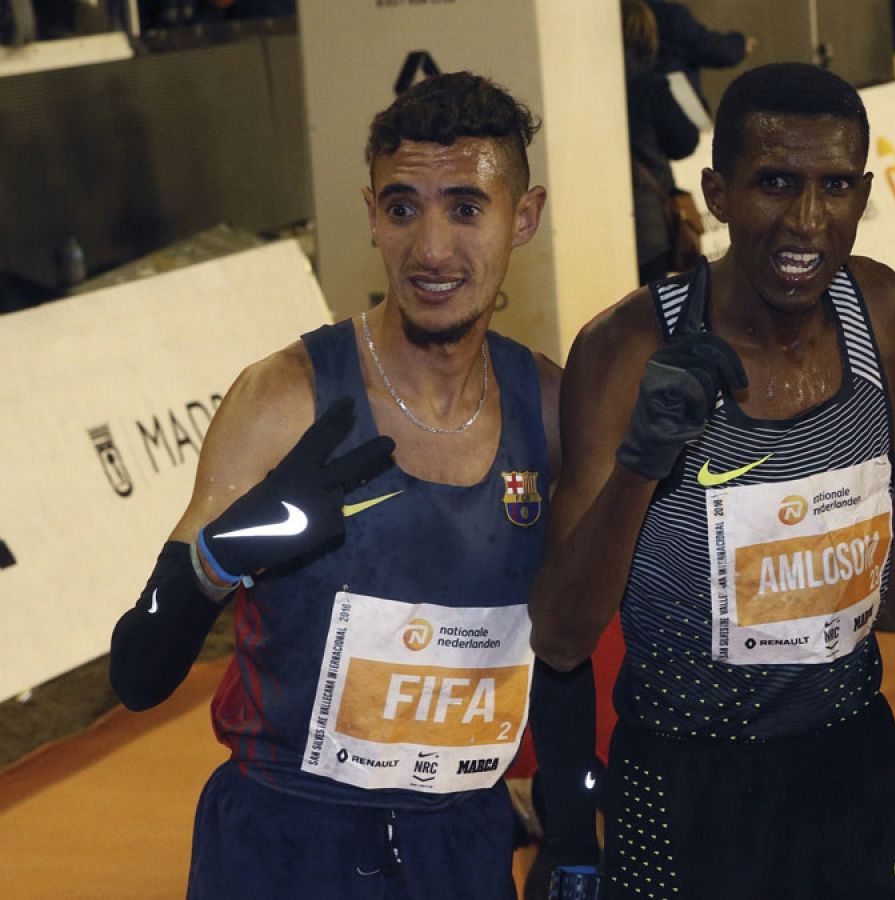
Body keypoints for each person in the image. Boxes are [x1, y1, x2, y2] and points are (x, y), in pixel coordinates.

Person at [530, 62, 895, 898]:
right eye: (775, 184)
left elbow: (893, 504)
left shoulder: (878, 312)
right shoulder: (627, 352)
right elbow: (562, 635)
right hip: (683, 789)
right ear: (716, 192)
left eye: (836, 187)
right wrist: (643, 461)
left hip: (853, 763)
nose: (808, 222)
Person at [109, 72, 564, 898]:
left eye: (466, 207)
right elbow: (138, 674)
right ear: (370, 214)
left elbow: (583, 646)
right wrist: (227, 552)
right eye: (402, 209)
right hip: (283, 844)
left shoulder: (551, 406)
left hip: (459, 844)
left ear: (522, 217)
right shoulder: (284, 398)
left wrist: (574, 831)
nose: (430, 249)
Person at [623, 0, 703, 285]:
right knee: (652, 312)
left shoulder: (589, 83)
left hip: (599, 219)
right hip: (649, 223)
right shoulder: (650, 86)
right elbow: (684, 142)